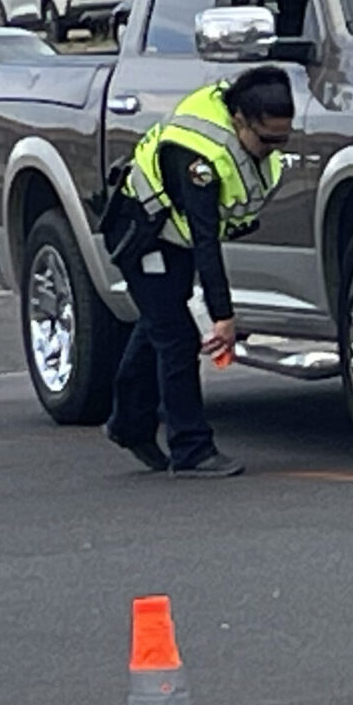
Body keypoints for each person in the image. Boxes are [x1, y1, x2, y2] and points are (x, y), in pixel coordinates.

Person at [103, 65, 293, 479]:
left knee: (158, 326)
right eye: (266, 140)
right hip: (144, 237)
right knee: (176, 338)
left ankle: (128, 424)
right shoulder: (199, 157)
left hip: (174, 236)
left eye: (283, 139)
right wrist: (223, 316)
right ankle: (190, 449)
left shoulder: (246, 111)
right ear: (240, 119)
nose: (273, 148)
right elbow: (206, 238)